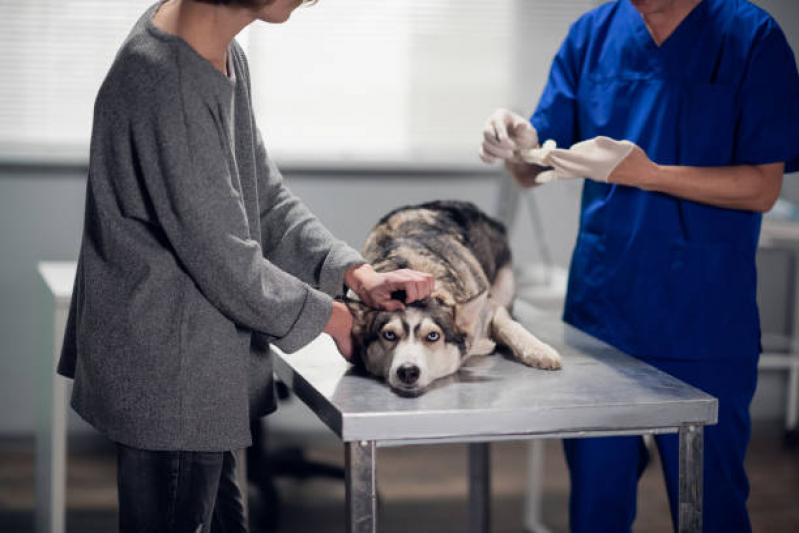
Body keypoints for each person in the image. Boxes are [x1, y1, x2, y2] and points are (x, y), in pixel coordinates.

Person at [57, 0, 434, 531]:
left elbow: (263, 199)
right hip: (172, 375)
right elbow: (229, 263)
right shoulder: (173, 83)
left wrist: (354, 273)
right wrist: (338, 319)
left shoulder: (215, 50)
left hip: (191, 367)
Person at [480, 0, 799, 531]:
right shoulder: (593, 35)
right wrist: (515, 142)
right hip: (604, 318)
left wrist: (649, 174)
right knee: (596, 507)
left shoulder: (750, 38)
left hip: (704, 320)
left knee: (711, 505)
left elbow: (762, 189)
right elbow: (532, 170)